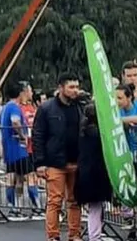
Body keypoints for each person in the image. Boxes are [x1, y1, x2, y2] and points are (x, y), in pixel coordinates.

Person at [33, 74, 84, 241]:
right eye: (71, 87)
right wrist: (40, 162)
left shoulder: (80, 106)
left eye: (77, 87)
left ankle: (74, 234)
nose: (75, 90)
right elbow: (38, 135)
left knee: (75, 201)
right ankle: (53, 236)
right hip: (55, 162)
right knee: (55, 201)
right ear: (61, 88)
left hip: (75, 160)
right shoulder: (46, 108)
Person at [0, 82, 42, 220]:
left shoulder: (5, 107)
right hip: (19, 148)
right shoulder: (14, 107)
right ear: (21, 93)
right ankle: (36, 208)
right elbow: (15, 121)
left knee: (14, 177)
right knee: (30, 176)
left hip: (9, 149)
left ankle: (15, 208)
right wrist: (23, 135)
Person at [75, 105, 113, 241]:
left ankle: (95, 234)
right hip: (96, 174)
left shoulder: (82, 131)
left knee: (94, 207)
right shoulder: (98, 134)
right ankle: (95, 236)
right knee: (95, 207)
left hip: (85, 172)